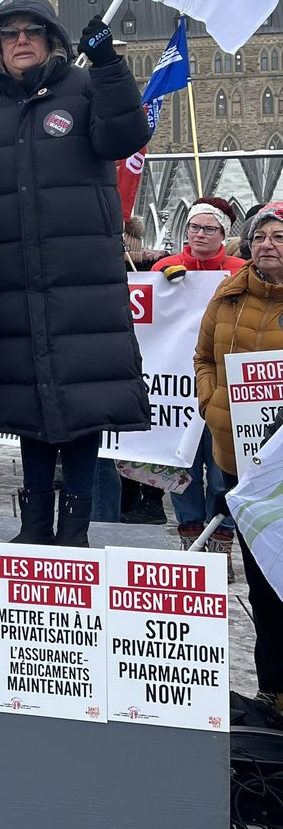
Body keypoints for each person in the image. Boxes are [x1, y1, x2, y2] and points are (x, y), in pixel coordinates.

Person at [0, 0, 151, 546]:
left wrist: (109, 66)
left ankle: (75, 531)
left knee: (83, 410)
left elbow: (126, 136)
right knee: (30, 409)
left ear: (51, 39)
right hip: (13, 283)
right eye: (9, 33)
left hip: (81, 282)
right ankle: (35, 526)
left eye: (32, 30)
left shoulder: (84, 90)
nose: (21, 40)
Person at [196, 201, 283, 713]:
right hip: (241, 460)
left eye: (278, 236)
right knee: (263, 579)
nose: (267, 245)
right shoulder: (227, 297)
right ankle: (274, 686)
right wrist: (212, 402)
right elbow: (204, 357)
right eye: (260, 237)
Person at [149, 196, 244, 554]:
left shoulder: (239, 270)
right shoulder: (167, 267)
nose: (199, 234)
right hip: (176, 389)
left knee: (223, 471)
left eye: (209, 229)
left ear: (223, 233)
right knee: (183, 468)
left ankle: (220, 543)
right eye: (194, 227)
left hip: (223, 386)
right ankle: (189, 539)